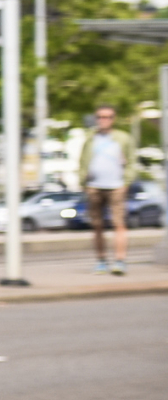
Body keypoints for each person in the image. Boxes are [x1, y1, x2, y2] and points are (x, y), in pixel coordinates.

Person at [75, 105, 136, 276]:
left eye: (107, 117)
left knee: (119, 224)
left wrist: (126, 183)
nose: (103, 120)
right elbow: (82, 161)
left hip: (116, 186)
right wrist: (83, 182)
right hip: (94, 186)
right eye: (100, 117)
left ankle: (120, 261)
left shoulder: (123, 138)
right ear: (96, 119)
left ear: (113, 119)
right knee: (97, 226)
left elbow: (131, 161)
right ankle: (101, 261)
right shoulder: (90, 139)